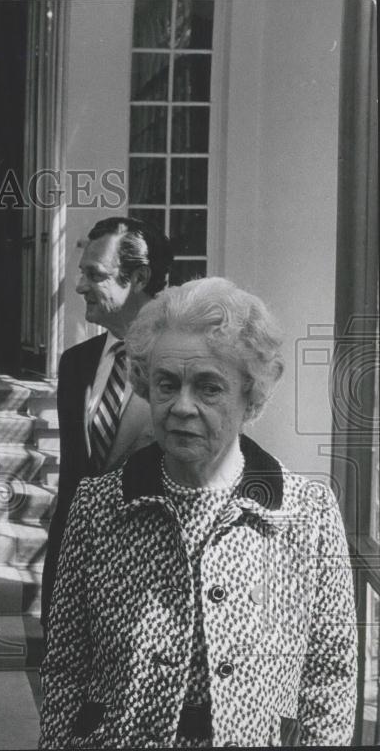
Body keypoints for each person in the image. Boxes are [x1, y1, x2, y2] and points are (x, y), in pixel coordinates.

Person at [38, 277, 357, 748]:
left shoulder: (308, 514)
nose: (182, 407)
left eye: (209, 388)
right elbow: (65, 668)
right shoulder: (97, 506)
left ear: (251, 395)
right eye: (167, 384)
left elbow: (329, 680)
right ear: (145, 385)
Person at [40, 216, 173, 628]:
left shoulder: (185, 364)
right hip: (75, 592)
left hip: (153, 596)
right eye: (81, 273)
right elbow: (73, 486)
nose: (80, 287)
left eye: (94, 275)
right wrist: (55, 598)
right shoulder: (75, 364)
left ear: (139, 278)